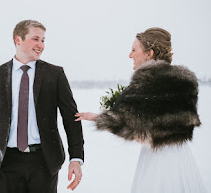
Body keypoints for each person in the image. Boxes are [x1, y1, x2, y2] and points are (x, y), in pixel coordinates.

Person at [76, 27, 207, 192]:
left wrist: (98, 118)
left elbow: (130, 127)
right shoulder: (187, 81)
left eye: (133, 50)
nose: (130, 55)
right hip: (182, 157)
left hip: (157, 160)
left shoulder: (146, 81)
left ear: (149, 53)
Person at [0, 20, 84, 193]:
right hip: (6, 161)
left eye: (43, 40)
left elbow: (71, 118)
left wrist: (76, 158)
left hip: (44, 161)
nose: (41, 45)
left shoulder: (55, 74)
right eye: (36, 39)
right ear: (18, 40)